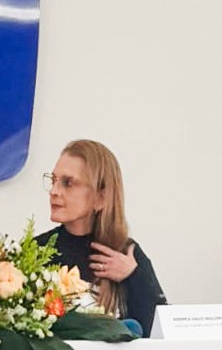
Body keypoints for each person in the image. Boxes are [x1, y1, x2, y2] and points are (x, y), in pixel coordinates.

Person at [36, 140, 165, 336]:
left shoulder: (127, 254)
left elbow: (160, 332)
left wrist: (134, 277)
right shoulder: (37, 250)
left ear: (101, 197)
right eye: (53, 180)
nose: (54, 191)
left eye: (68, 183)